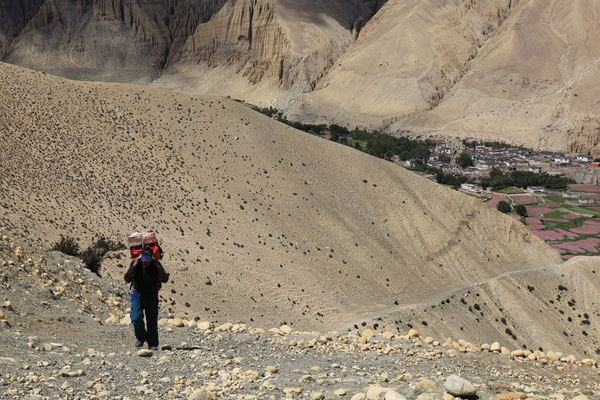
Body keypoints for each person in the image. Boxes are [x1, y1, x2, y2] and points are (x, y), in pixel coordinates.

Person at [124, 248, 169, 350]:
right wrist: (134, 266)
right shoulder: (135, 263)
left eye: (147, 260)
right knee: (135, 318)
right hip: (138, 294)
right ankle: (141, 337)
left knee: (152, 320)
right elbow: (127, 278)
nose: (145, 263)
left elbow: (165, 279)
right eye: (144, 260)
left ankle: (152, 344)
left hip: (151, 295)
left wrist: (158, 266)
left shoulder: (155, 264)